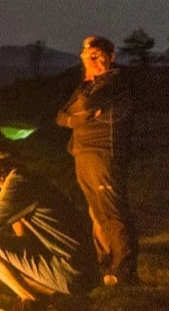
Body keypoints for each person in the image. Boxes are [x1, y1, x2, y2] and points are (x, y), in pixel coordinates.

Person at [0, 139, 99, 309]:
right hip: (73, 267)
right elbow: (21, 236)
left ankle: (31, 301)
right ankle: (60, 299)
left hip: (72, 269)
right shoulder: (23, 180)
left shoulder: (18, 182)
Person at [57, 36, 137, 286]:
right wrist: (80, 118)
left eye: (95, 54)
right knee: (96, 213)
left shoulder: (115, 82)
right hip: (82, 152)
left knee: (113, 211)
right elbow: (62, 116)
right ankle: (105, 264)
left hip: (104, 152)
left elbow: (86, 106)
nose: (89, 60)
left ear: (110, 56)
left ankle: (125, 271)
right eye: (85, 54)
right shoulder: (86, 85)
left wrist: (81, 114)